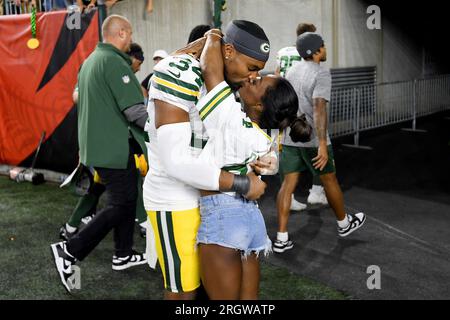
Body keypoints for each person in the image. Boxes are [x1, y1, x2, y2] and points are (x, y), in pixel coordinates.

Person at [143, 20, 269, 300]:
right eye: (251, 69)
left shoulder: (222, 79)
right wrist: (241, 184)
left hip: (212, 197)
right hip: (177, 198)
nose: (253, 78)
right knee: (184, 293)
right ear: (228, 52)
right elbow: (176, 160)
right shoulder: (179, 71)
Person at [194, 29, 311, 300]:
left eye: (257, 80)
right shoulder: (262, 136)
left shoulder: (233, 119)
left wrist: (213, 36)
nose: (252, 76)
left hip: (224, 216)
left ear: (259, 104)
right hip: (249, 219)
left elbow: (210, 69)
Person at [51, 15, 149, 293]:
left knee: (127, 200)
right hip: (112, 148)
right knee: (120, 204)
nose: (130, 41)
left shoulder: (91, 61)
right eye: (128, 35)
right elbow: (135, 111)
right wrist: (162, 131)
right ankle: (70, 251)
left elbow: (81, 100)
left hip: (99, 147)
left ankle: (123, 253)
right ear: (120, 32)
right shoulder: (113, 62)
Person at [274, 32, 366, 254]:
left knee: (287, 186)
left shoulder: (292, 71)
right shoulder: (322, 73)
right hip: (313, 139)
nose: (325, 49)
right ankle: (344, 224)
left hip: (290, 136)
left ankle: (281, 238)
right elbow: (318, 108)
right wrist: (322, 143)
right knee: (330, 180)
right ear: (316, 51)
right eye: (323, 46)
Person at [276, 22, 328, 211]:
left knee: (286, 152)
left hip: (284, 109)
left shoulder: (283, 52)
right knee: (317, 148)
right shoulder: (309, 55)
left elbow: (276, 77)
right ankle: (316, 190)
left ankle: (287, 196)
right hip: (304, 110)